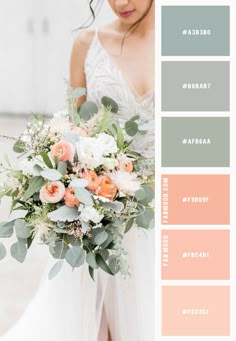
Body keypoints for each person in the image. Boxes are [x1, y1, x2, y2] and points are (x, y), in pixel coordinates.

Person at [0, 1, 155, 340]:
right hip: (104, 215)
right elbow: (75, 134)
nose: (121, 3)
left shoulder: (192, 47)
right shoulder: (87, 44)